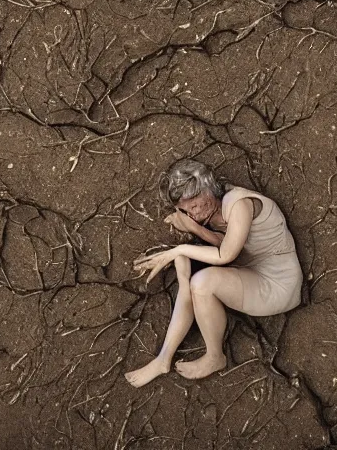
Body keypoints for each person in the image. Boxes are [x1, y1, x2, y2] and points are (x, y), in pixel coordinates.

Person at [124, 159, 302, 387]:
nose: (193, 211)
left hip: (278, 284)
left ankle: (215, 356)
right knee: (184, 264)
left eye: (195, 202)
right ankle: (163, 358)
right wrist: (192, 231)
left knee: (201, 281)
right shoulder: (212, 211)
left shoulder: (240, 204)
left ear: (208, 187)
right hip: (249, 271)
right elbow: (224, 242)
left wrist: (179, 246)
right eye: (186, 209)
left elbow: (226, 254)